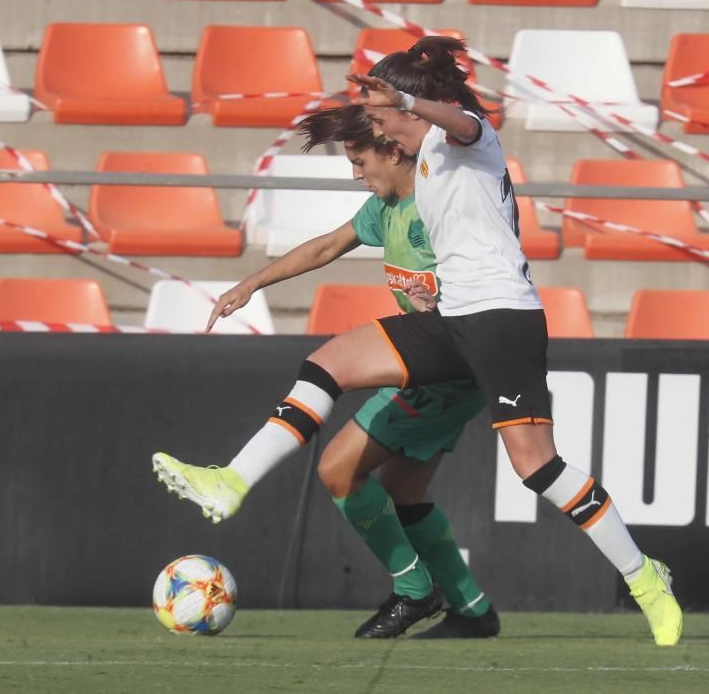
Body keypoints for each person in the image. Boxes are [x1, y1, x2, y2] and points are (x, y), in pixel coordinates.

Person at [154, 37, 682, 646]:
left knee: (538, 467)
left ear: (413, 107)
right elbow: (337, 239)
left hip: (503, 320)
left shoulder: (469, 138)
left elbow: (456, 119)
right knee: (327, 363)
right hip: (451, 319)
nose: (380, 139)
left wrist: (407, 98)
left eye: (382, 123)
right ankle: (232, 480)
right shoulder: (417, 167)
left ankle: (646, 578)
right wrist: (251, 283)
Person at [155, 104, 499, 639]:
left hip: (450, 370)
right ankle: (473, 611)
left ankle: (413, 591)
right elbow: (325, 245)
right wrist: (251, 284)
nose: (355, 174)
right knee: (403, 496)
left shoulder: (441, 205)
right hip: (441, 372)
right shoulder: (383, 209)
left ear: (394, 149)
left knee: (338, 466)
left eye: (360, 160)